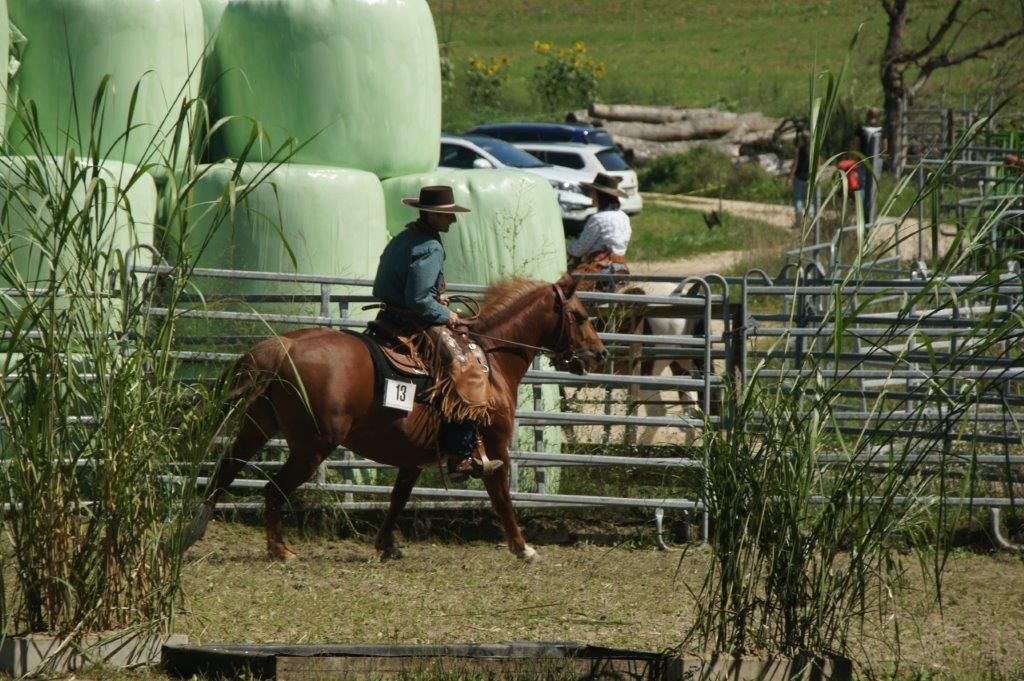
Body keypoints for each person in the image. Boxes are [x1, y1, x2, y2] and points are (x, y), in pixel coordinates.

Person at [372, 185, 501, 481]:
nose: (452, 221)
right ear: (431, 215)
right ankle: (460, 453)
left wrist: (433, 298)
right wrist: (448, 314)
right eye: (447, 216)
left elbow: (396, 288)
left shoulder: (403, 238)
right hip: (413, 321)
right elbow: (418, 300)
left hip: (388, 316)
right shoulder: (431, 246)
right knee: (468, 368)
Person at [567, 172, 631, 290]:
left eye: (593, 192)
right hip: (620, 267)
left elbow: (579, 249)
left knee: (564, 287)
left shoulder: (598, 218)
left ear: (599, 195)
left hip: (601, 268)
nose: (591, 196)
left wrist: (569, 248)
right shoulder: (623, 217)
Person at [849, 107, 888, 223]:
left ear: (868, 115)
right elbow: (885, 147)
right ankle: (872, 210)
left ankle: (861, 209)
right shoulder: (882, 130)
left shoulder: (861, 129)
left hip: (863, 159)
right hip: (877, 161)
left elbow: (856, 144)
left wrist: (854, 158)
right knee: (874, 185)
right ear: (878, 116)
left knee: (862, 184)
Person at [787, 131, 813, 229]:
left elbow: (795, 165)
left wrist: (790, 177)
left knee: (798, 199)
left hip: (799, 178)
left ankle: (798, 222)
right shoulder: (813, 150)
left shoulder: (799, 150)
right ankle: (810, 221)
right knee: (809, 200)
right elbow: (817, 165)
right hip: (809, 179)